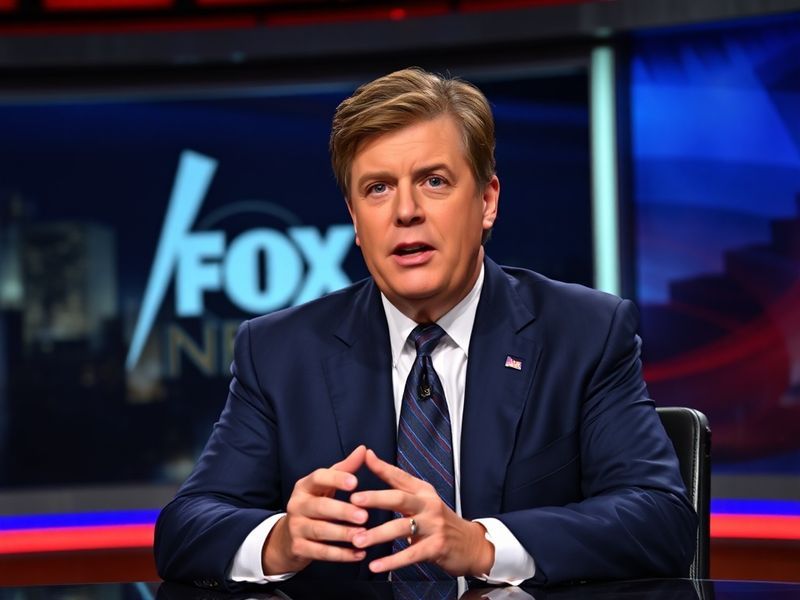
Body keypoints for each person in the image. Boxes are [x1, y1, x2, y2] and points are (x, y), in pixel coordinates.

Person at [154, 67, 697, 590]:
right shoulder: (278, 352)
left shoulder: (584, 332)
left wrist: (484, 545)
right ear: (355, 220)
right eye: (378, 189)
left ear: (486, 202)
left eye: (433, 181)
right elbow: (186, 529)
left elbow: (660, 519)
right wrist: (281, 540)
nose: (405, 211)